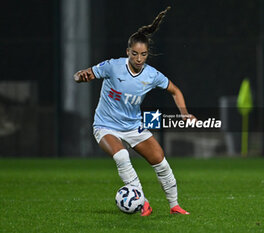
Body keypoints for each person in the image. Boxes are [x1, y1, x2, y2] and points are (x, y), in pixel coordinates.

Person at [74, 6, 195, 216]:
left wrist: (184, 113)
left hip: (132, 126)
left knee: (161, 161)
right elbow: (85, 74)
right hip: (106, 126)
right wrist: (80, 76)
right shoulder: (113, 67)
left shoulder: (152, 75)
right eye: (135, 54)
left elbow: (175, 90)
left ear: (147, 54)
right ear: (127, 52)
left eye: (144, 54)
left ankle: (174, 206)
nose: (139, 59)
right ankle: (142, 201)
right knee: (121, 155)